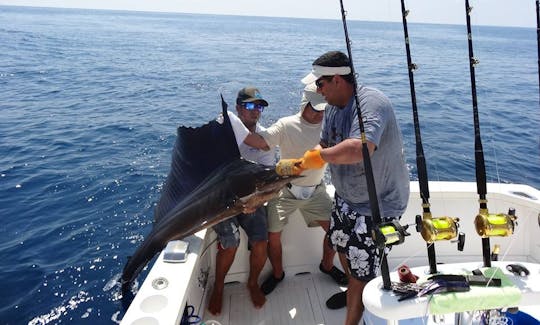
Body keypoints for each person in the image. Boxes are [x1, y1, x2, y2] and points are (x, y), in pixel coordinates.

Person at [278, 51, 410, 324]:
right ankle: (354, 291)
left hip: (377, 206)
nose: (317, 90)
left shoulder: (372, 103)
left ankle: (355, 310)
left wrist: (319, 158)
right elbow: (325, 145)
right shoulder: (332, 108)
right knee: (340, 244)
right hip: (345, 199)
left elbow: (360, 149)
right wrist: (304, 161)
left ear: (337, 79)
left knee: (363, 271)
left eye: (320, 84)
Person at [240, 84, 349, 295]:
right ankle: (278, 274)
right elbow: (261, 142)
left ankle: (326, 266)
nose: (320, 114)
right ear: (303, 105)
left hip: (316, 191)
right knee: (273, 236)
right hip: (284, 191)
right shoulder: (286, 124)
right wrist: (234, 124)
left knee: (338, 233)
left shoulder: (329, 126)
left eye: (323, 109)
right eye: (315, 108)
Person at [207, 87, 276, 316]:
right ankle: (218, 288)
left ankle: (252, 283)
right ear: (238, 108)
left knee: (260, 242)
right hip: (221, 199)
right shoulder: (225, 126)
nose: (255, 111)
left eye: (259, 106)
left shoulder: (266, 137)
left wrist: (257, 201)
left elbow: (269, 180)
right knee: (231, 242)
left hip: (250, 199)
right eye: (249, 106)